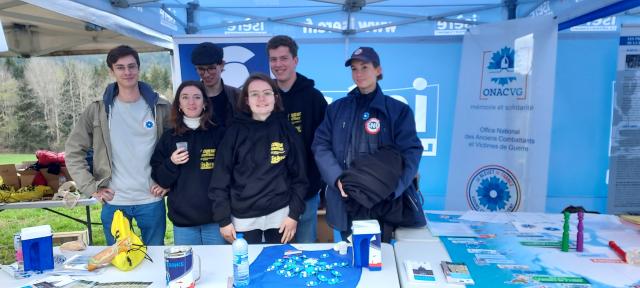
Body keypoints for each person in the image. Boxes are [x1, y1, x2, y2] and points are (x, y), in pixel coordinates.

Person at [312, 47, 424, 241]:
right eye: (354, 69)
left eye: (365, 67)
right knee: (354, 257)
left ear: (378, 70)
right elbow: (320, 145)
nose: (359, 73)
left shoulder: (398, 111)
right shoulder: (337, 109)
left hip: (385, 202)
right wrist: (337, 179)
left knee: (382, 259)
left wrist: (394, 190)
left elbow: (411, 152)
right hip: (347, 200)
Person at [65, 45, 171, 245]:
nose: (127, 72)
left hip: (151, 200)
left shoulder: (161, 106)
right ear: (111, 71)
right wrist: (91, 187)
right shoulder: (97, 109)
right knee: (119, 263)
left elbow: (177, 147)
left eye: (132, 66)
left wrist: (168, 182)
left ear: (139, 68)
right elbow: (73, 151)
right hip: (114, 201)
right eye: (120, 67)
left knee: (155, 260)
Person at [209, 73, 308, 244]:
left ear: (275, 98)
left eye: (267, 93)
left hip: (281, 216)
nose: (261, 99)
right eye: (255, 94)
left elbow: (300, 178)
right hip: (243, 219)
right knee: (246, 269)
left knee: (280, 267)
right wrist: (223, 220)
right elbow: (220, 179)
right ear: (246, 100)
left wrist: (294, 215)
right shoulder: (234, 132)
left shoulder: (286, 129)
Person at [267, 35, 327, 243]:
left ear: (295, 60)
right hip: (271, 194)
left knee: (304, 251)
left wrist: (317, 183)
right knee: (277, 255)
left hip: (306, 193)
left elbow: (323, 146)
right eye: (273, 59)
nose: (278, 64)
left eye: (283, 58)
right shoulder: (264, 97)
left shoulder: (313, 98)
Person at [150, 81, 226, 245]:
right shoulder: (169, 137)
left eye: (197, 97)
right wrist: (172, 162)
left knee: (219, 268)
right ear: (178, 104)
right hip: (183, 223)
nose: (191, 102)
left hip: (215, 220)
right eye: (185, 97)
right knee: (187, 269)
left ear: (205, 103)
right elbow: (160, 179)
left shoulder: (219, 134)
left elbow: (228, 174)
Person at [191, 42, 241, 127]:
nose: (206, 74)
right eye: (201, 69)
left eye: (211, 68)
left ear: (222, 65)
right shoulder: (190, 98)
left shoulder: (238, 96)